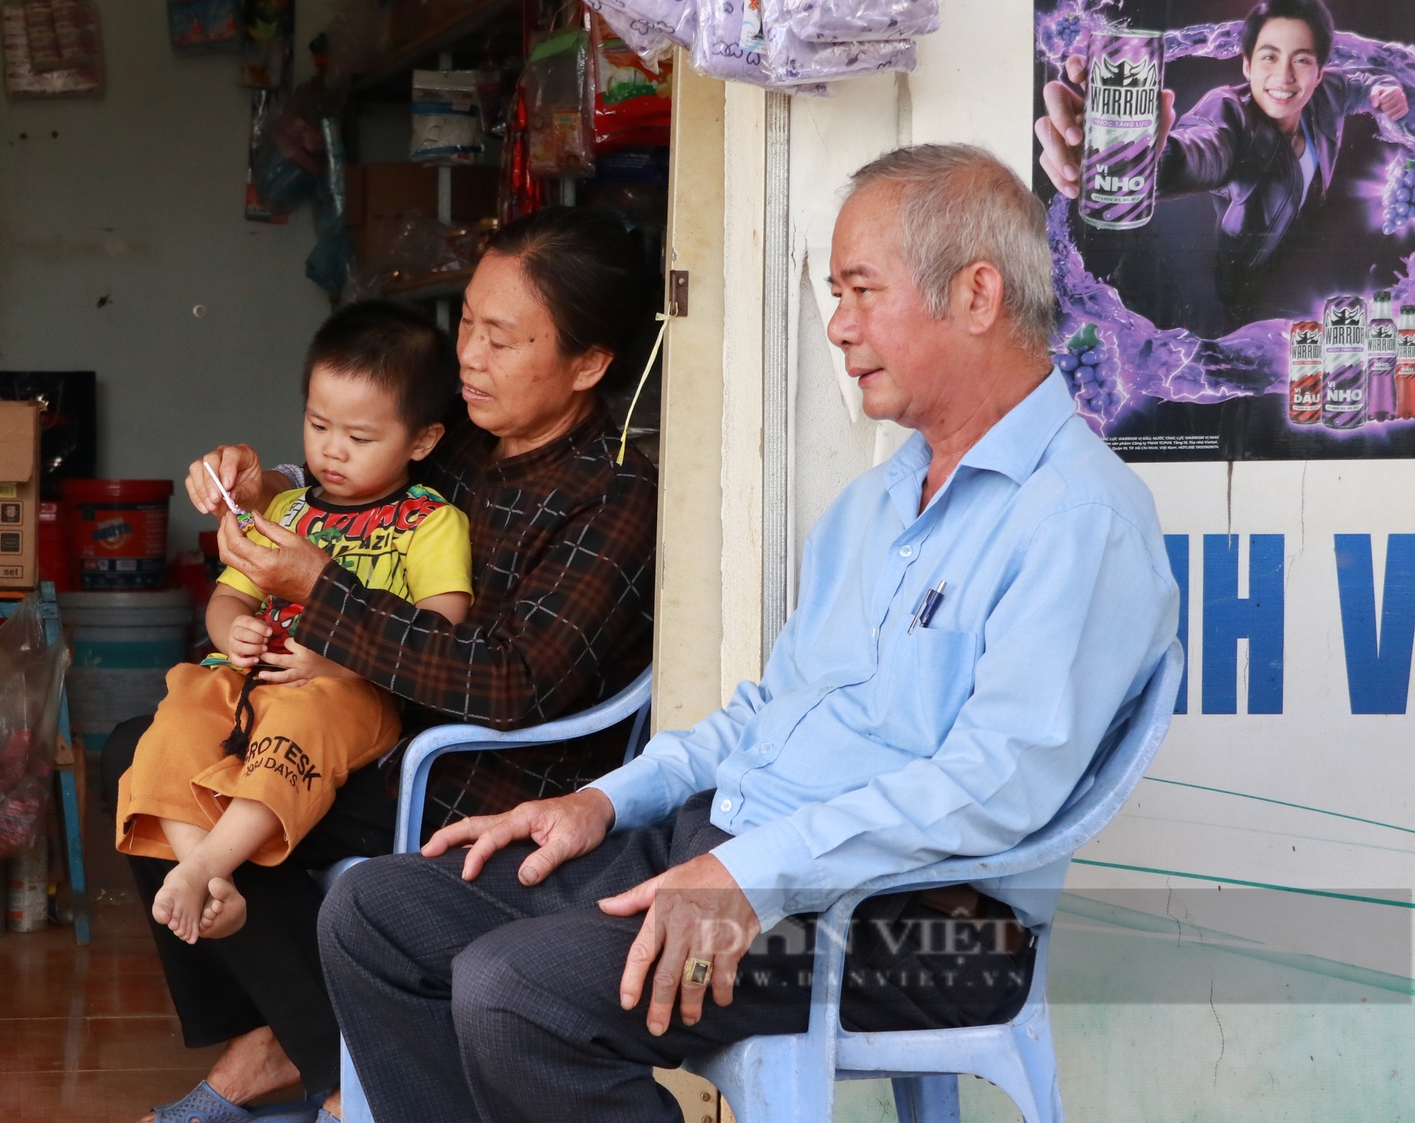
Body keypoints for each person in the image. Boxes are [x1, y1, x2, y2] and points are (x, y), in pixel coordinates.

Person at [320, 144, 1181, 1123]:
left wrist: (750, 874)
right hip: (728, 845)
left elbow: (994, 786)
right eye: (833, 293)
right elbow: (767, 714)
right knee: (379, 911)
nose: (837, 326)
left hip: (905, 924)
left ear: (975, 295)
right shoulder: (879, 503)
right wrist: (600, 803)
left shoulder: (1077, 518)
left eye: (861, 292)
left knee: (513, 988)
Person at [101, 205, 659, 1123]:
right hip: (380, 717)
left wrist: (319, 589)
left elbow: (515, 681)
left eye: (504, 338)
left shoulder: (614, 495)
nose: (470, 357)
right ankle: (289, 1039)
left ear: (589, 364)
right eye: (467, 324)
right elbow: (357, 491)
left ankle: (316, 1067)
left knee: (241, 791)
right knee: (140, 754)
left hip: (482, 767)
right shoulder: (469, 442)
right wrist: (267, 486)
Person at [115, 301, 475, 945]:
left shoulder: (431, 522)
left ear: (422, 440)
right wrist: (233, 634)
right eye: (317, 424)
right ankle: (208, 876)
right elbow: (228, 600)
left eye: (361, 439)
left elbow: (440, 624)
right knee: (179, 708)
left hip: (347, 690)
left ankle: (202, 868)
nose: (332, 451)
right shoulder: (287, 507)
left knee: (298, 727)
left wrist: (334, 658)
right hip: (251, 679)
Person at [1036, 0, 1409, 323]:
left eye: (1301, 61)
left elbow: (1358, 85)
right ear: (1246, 66)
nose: (1284, 75)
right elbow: (1199, 152)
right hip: (1246, 285)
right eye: (1269, 57)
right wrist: (1127, 152)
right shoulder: (1228, 114)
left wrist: (1381, 92)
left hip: (1314, 269)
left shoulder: (1327, 93)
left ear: (1318, 73)